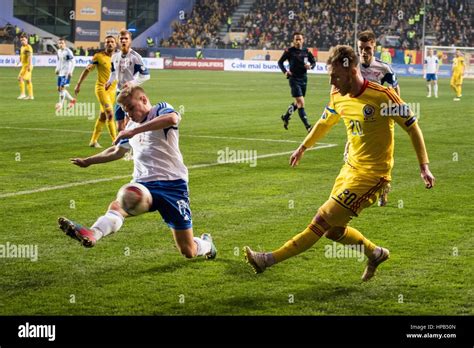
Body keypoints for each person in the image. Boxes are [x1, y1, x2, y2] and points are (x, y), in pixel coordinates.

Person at [244, 45, 435, 281]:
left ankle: (267, 259)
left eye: (335, 76)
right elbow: (325, 122)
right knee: (333, 232)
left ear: (352, 70)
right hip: (349, 170)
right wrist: (303, 147)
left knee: (321, 219)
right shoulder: (337, 95)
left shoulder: (382, 96)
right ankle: (375, 253)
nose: (332, 81)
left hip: (373, 177)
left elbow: (412, 127)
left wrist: (423, 166)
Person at [58, 86, 217, 261]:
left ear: (143, 99)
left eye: (131, 108)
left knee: (188, 251)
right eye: (126, 111)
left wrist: (133, 131)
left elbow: (172, 118)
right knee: (121, 203)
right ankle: (93, 233)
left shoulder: (160, 110)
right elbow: (117, 152)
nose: (129, 115)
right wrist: (89, 161)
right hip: (143, 184)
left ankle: (207, 245)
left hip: (172, 185)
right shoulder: (131, 125)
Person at [349, 30, 400, 206]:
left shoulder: (384, 69)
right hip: (359, 119)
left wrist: (395, 112)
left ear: (374, 47)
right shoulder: (353, 67)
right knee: (353, 155)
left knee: (383, 158)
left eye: (367, 48)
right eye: (361, 48)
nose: (364, 52)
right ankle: (355, 190)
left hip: (381, 120)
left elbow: (396, 89)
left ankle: (384, 188)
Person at [74, 36, 118, 148]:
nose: (110, 44)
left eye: (112, 42)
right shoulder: (98, 56)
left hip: (113, 91)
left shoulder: (119, 58)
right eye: (107, 42)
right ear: (105, 44)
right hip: (101, 89)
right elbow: (87, 70)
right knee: (110, 114)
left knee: (103, 116)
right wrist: (78, 84)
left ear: (115, 44)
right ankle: (116, 142)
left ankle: (93, 141)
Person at [105, 29, 150, 133]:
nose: (123, 41)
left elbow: (146, 75)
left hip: (131, 94)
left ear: (130, 41)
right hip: (119, 93)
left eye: (126, 39)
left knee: (129, 125)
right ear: (118, 41)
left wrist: (132, 83)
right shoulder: (114, 57)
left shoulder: (136, 57)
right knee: (119, 126)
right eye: (121, 39)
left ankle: (131, 148)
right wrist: (109, 81)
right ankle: (122, 147)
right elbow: (113, 73)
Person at [278, 32, 316, 132]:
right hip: (293, 79)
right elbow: (280, 62)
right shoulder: (289, 51)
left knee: (297, 102)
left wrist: (310, 66)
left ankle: (286, 117)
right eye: (296, 39)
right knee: (301, 103)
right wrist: (285, 72)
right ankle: (308, 127)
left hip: (304, 79)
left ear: (303, 40)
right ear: (293, 41)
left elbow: (314, 62)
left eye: (300, 39)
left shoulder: (306, 51)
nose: (298, 41)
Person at [55, 38, 76, 112]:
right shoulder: (59, 51)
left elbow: (73, 62)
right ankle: (72, 100)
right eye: (59, 43)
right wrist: (57, 69)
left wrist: (71, 71)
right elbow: (59, 61)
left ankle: (60, 105)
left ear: (65, 44)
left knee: (62, 88)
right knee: (59, 89)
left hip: (66, 73)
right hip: (60, 72)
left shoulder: (68, 51)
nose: (60, 44)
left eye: (62, 43)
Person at [17, 34, 34, 100]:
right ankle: (31, 96)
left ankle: (23, 94)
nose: (22, 41)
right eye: (21, 40)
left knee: (20, 78)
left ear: (27, 40)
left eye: (23, 40)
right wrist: (18, 62)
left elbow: (30, 57)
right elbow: (21, 56)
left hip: (27, 66)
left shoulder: (28, 47)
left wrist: (29, 66)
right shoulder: (22, 47)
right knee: (28, 81)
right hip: (24, 66)